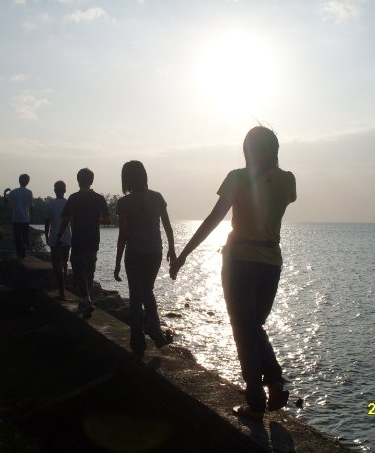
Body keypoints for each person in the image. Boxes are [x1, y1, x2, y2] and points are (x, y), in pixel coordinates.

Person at [170, 126, 297, 420]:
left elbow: (214, 218)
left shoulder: (237, 178)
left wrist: (184, 254)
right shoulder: (288, 180)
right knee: (253, 326)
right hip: (271, 263)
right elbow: (279, 197)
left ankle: (256, 399)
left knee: (244, 330)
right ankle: (275, 384)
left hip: (239, 262)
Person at [113, 161, 176, 357]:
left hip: (135, 252)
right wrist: (172, 249)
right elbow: (167, 226)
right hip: (155, 252)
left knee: (136, 295)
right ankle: (154, 329)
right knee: (148, 290)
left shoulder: (124, 203)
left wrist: (117, 262)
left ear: (126, 179)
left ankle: (138, 342)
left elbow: (123, 235)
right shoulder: (157, 197)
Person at [57, 168, 110, 315]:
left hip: (78, 239)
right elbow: (107, 220)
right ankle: (85, 299)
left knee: (79, 269)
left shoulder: (74, 198)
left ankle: (86, 299)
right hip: (93, 239)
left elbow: (65, 219)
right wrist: (95, 219)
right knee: (89, 270)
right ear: (92, 181)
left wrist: (59, 236)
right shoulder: (99, 198)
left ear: (78, 181)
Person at [44, 181, 72, 300]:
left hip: (55, 238)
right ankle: (62, 289)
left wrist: (46, 236)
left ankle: (61, 290)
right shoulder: (69, 203)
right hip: (67, 238)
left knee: (56, 264)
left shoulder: (50, 204)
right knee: (64, 262)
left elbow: (47, 223)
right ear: (64, 190)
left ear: (55, 190)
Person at [4, 174, 34, 259]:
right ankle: (23, 248)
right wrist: (32, 216)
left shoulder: (14, 191)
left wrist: (4, 193)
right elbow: (31, 206)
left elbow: (6, 202)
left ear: (19, 181)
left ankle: (19, 253)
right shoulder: (29, 192)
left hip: (16, 217)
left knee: (17, 236)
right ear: (28, 182)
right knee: (25, 236)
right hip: (25, 218)